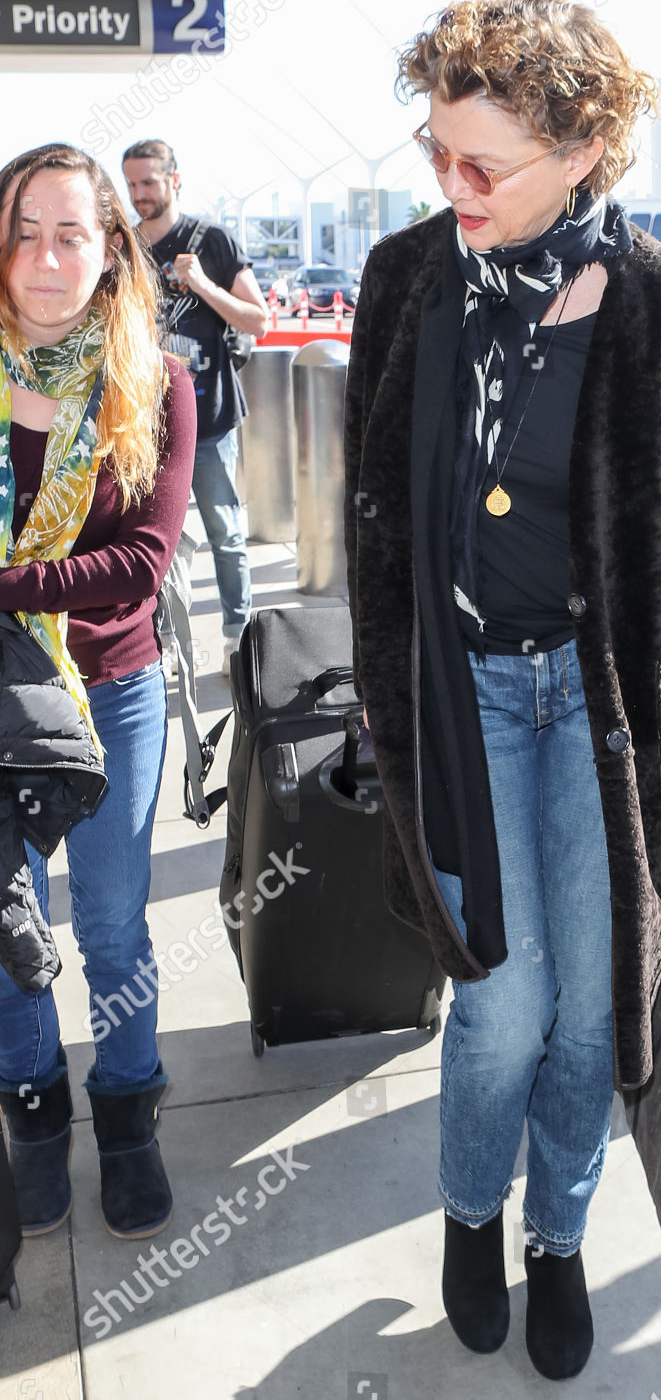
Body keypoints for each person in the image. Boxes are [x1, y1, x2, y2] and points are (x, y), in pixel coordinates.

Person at [343, 0, 661, 1380]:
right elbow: (377, 521)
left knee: (594, 1012)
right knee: (503, 1002)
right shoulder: (407, 280)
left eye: (482, 163)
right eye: (435, 154)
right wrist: (383, 702)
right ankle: (474, 1211)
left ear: (582, 147)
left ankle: (558, 1238)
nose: (449, 188)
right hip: (460, 705)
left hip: (602, 722)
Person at [0, 143, 197, 1240]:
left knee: (116, 927)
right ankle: (35, 1121)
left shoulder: (155, 381)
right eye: (25, 229)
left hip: (108, 693)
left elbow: (140, 565)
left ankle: (128, 1123)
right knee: (8, 929)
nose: (45, 256)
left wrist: (5, 584)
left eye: (72, 232)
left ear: (112, 248)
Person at [121, 139, 267, 674]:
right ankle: (167, 644)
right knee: (159, 541)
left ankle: (238, 641)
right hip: (143, 426)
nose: (139, 195)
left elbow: (258, 320)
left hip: (210, 420)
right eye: (131, 184)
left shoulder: (212, 241)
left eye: (149, 183)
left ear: (174, 180)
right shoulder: (125, 247)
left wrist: (200, 282)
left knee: (225, 532)